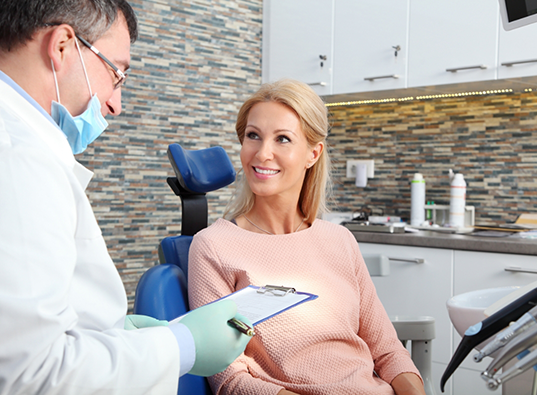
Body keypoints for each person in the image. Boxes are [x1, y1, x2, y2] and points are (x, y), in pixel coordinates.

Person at [0, 1, 251, 394]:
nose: (115, 105)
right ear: (62, 46)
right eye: (117, 73)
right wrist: (183, 346)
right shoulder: (17, 158)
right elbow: (30, 375)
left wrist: (114, 333)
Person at [188, 79, 427, 395]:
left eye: (283, 139)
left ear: (313, 154)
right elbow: (230, 379)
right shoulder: (213, 246)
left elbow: (387, 351)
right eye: (253, 136)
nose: (262, 153)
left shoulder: (340, 240)